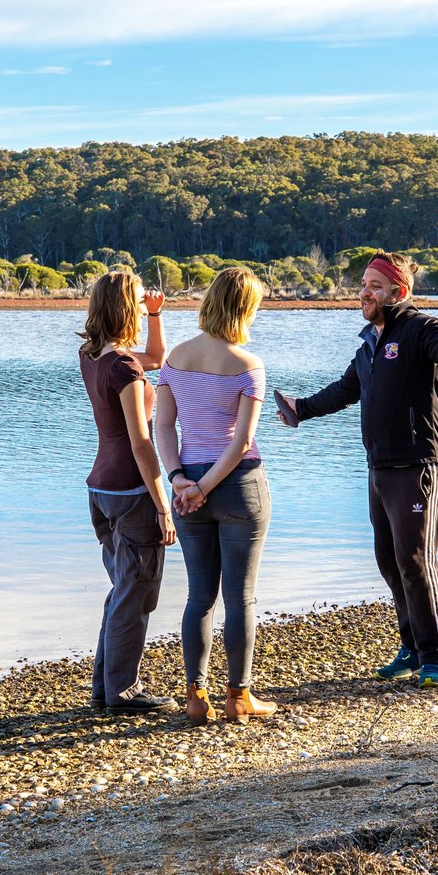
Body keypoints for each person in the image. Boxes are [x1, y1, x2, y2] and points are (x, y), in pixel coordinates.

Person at [273, 252, 438, 690]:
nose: (364, 292)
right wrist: (302, 409)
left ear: (399, 292)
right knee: (390, 561)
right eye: (363, 284)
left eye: (375, 285)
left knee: (416, 559)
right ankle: (410, 647)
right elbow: (345, 391)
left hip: (420, 464)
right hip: (381, 467)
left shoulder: (420, 329)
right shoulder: (369, 346)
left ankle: (434, 657)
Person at [155, 267, 276, 726]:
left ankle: (195, 696)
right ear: (245, 310)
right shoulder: (249, 366)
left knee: (199, 596)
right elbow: (242, 441)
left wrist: (181, 481)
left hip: (189, 489)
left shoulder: (175, 359)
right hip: (238, 486)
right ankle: (239, 697)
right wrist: (205, 487)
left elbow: (162, 425)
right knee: (239, 597)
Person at [78, 268, 175, 712]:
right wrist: (163, 506)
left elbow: (156, 356)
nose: (142, 306)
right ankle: (122, 691)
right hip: (131, 492)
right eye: (137, 302)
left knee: (123, 587)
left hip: (100, 489)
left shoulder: (94, 354)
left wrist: (155, 314)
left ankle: (105, 687)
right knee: (135, 592)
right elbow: (142, 443)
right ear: (122, 309)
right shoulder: (124, 370)